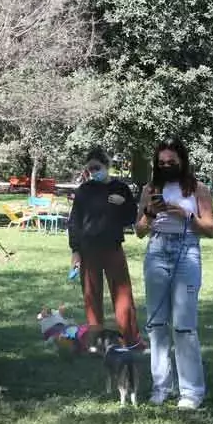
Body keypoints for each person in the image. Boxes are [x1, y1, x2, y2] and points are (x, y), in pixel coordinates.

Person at [135, 140, 213, 409]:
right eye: (161, 163)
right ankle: (161, 387)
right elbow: (139, 230)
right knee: (157, 323)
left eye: (171, 162)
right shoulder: (150, 189)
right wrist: (149, 212)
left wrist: (186, 214)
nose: (166, 166)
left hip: (187, 252)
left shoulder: (198, 189)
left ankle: (191, 392)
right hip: (157, 250)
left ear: (182, 161)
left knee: (184, 326)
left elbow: (211, 228)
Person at [68, 147, 141, 344]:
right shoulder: (83, 191)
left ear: (107, 166)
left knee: (122, 294)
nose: (94, 172)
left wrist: (123, 203)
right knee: (92, 296)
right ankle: (95, 340)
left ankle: (131, 338)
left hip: (113, 247)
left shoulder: (120, 188)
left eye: (97, 168)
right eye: (90, 169)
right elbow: (74, 222)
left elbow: (131, 217)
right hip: (88, 249)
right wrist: (75, 250)